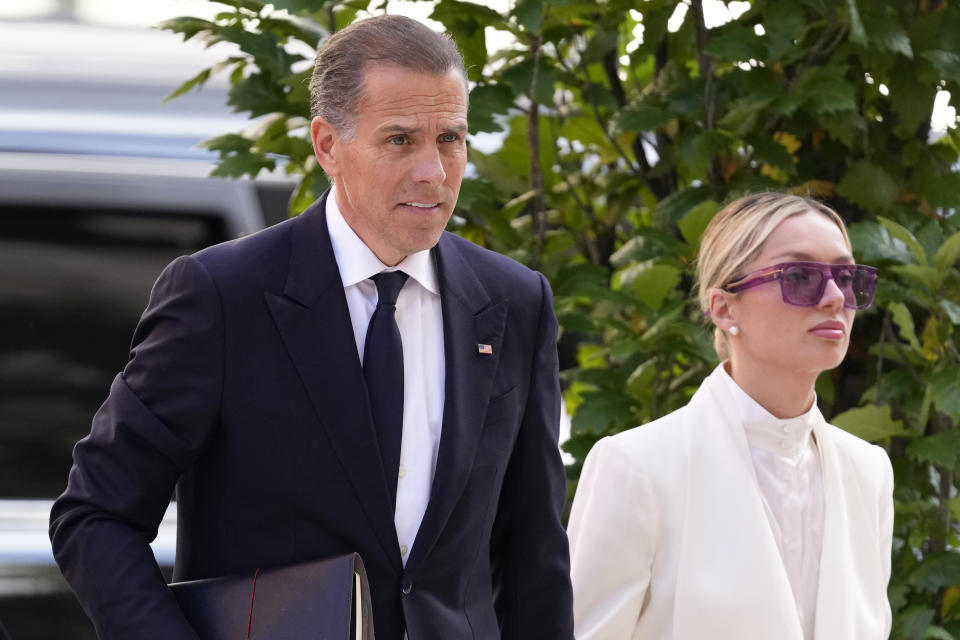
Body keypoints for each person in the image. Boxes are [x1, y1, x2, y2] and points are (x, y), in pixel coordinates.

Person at [49, 15, 573, 640]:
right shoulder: (222, 297)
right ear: (328, 145)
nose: (434, 171)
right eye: (401, 140)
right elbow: (95, 515)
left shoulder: (515, 301)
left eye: (451, 138)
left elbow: (534, 555)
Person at [567, 192, 893, 639]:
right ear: (723, 308)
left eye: (846, 275)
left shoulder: (868, 471)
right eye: (800, 276)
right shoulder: (638, 466)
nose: (836, 297)